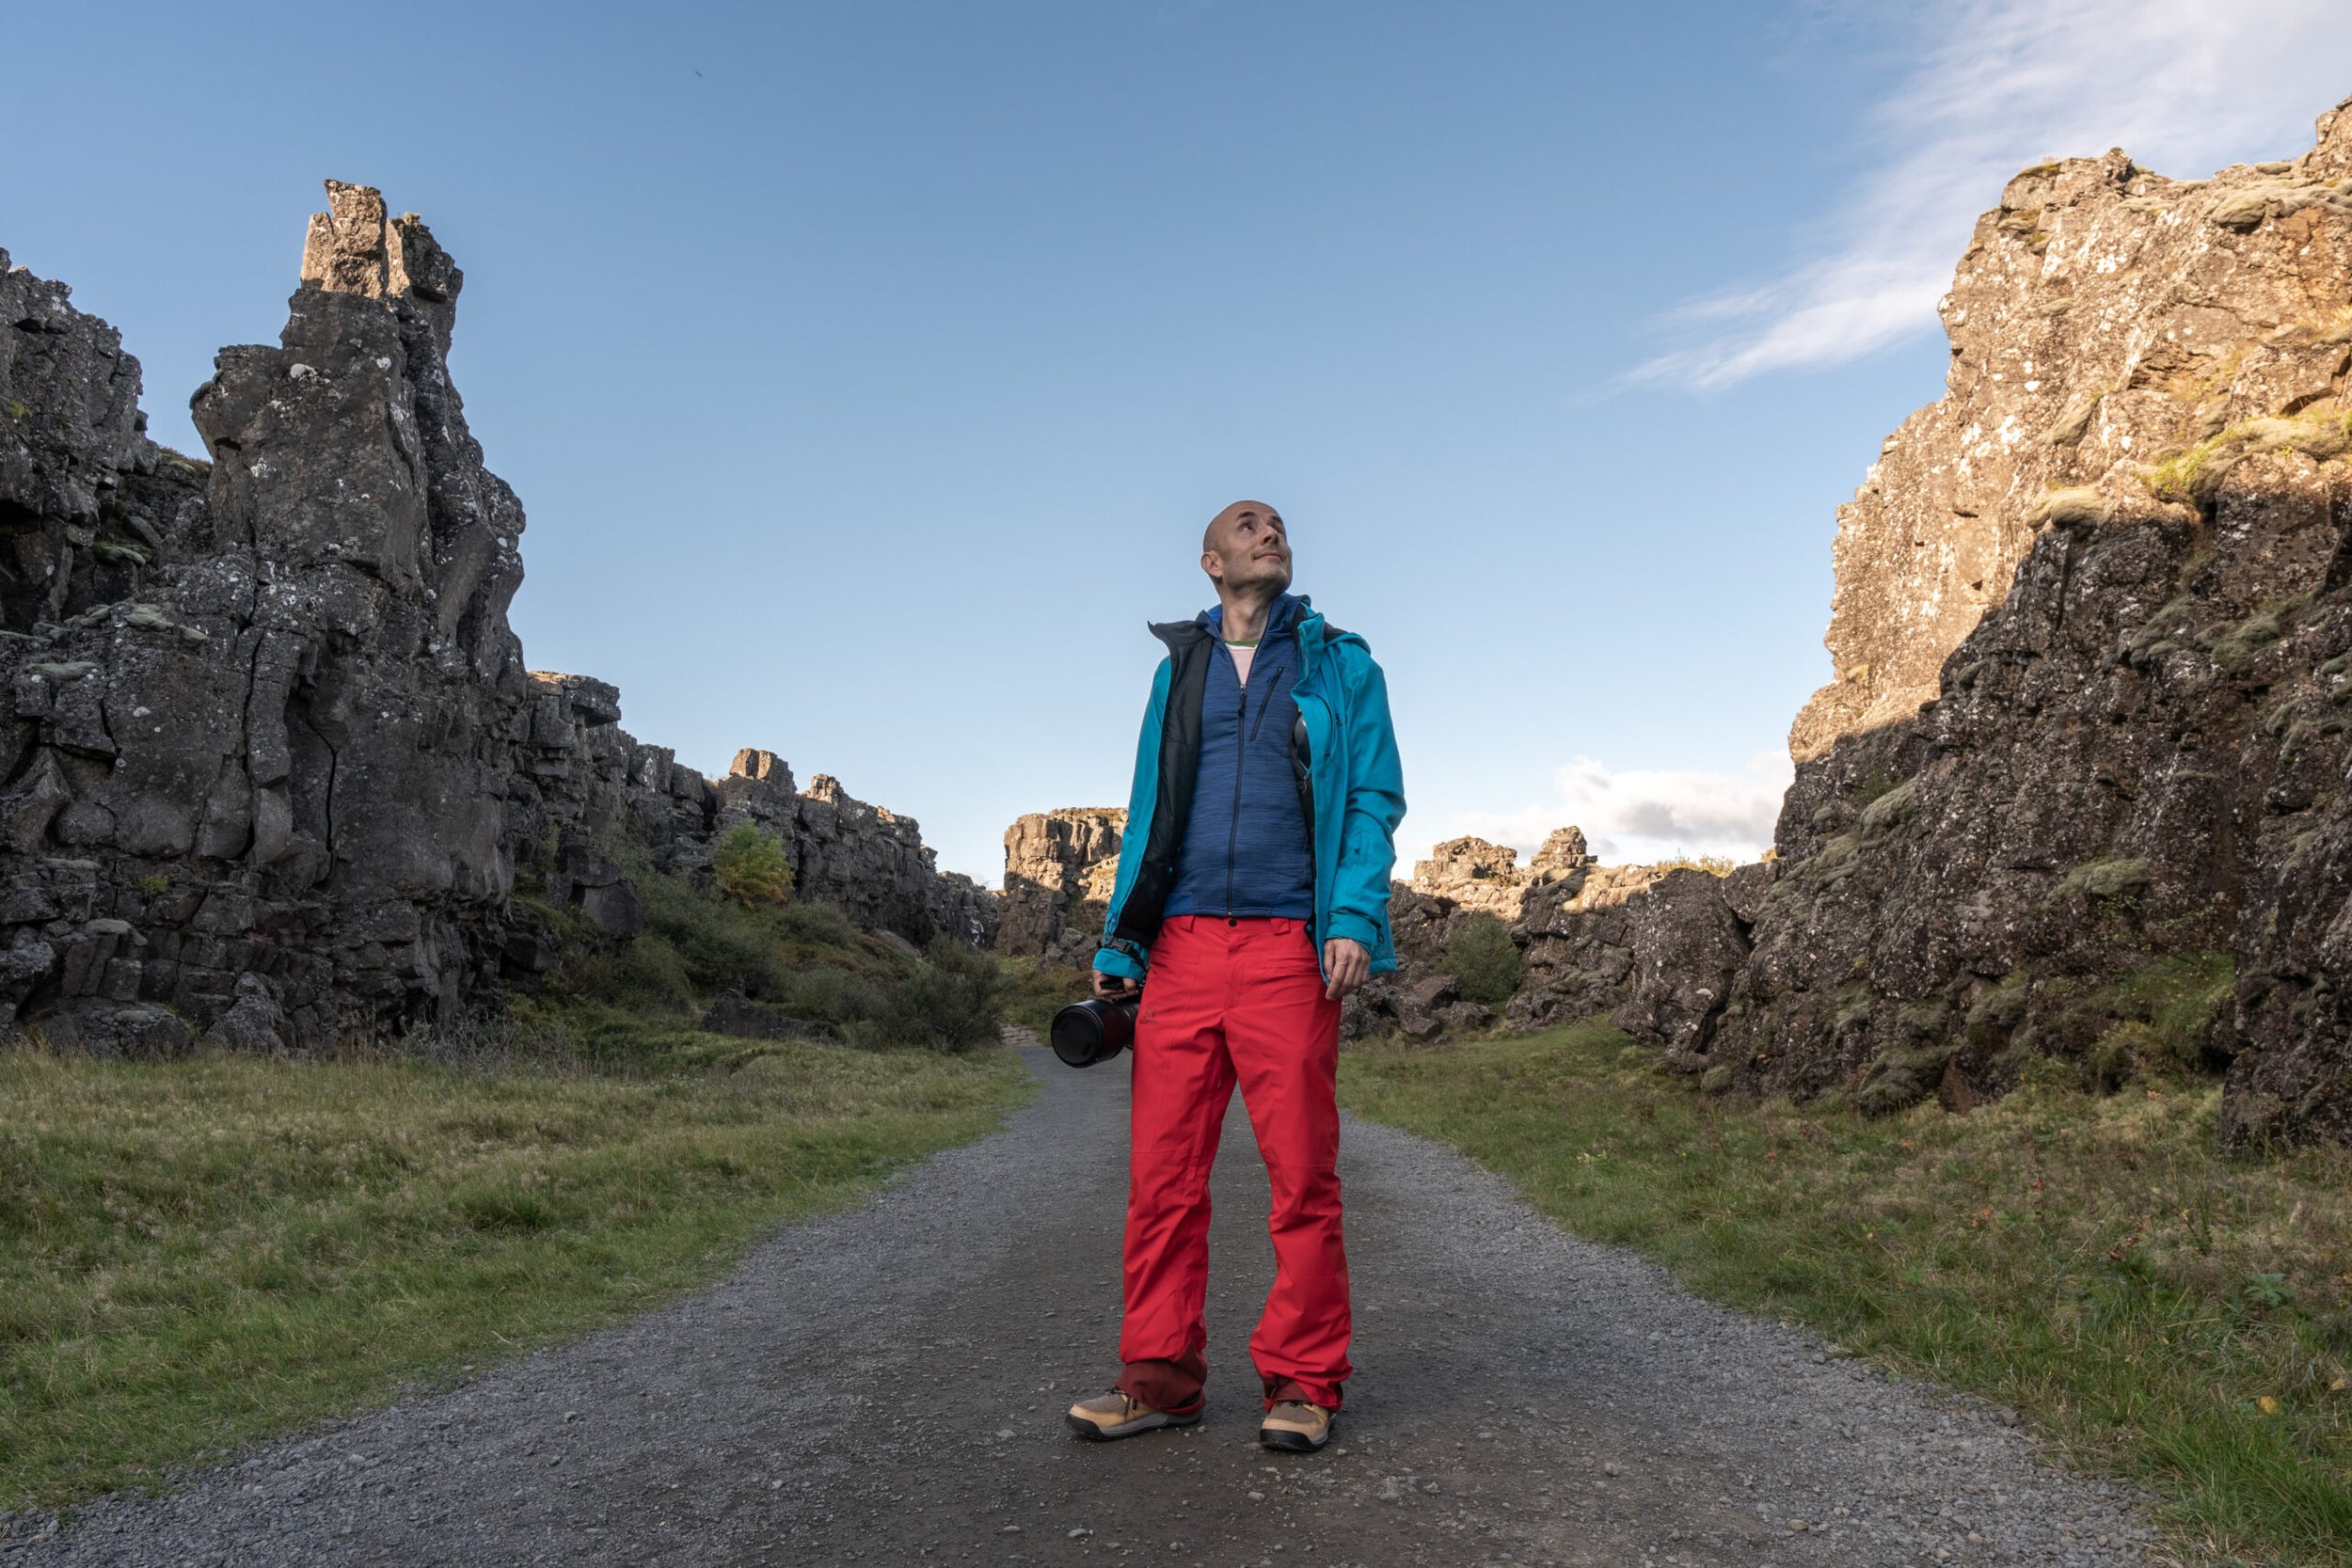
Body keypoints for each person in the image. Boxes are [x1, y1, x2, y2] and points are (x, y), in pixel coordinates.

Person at [1064, 499, 1406, 1453]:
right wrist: (1122, 940)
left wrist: (1350, 915)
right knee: (1162, 1179)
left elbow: (1374, 796)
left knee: (1302, 1176)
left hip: (1286, 951)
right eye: (1248, 523)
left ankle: (1304, 1380)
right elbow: (1148, 809)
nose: (1270, 529)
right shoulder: (1180, 669)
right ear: (1210, 560)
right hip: (1178, 949)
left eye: (1279, 523)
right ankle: (1158, 1379)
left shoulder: (1342, 663)